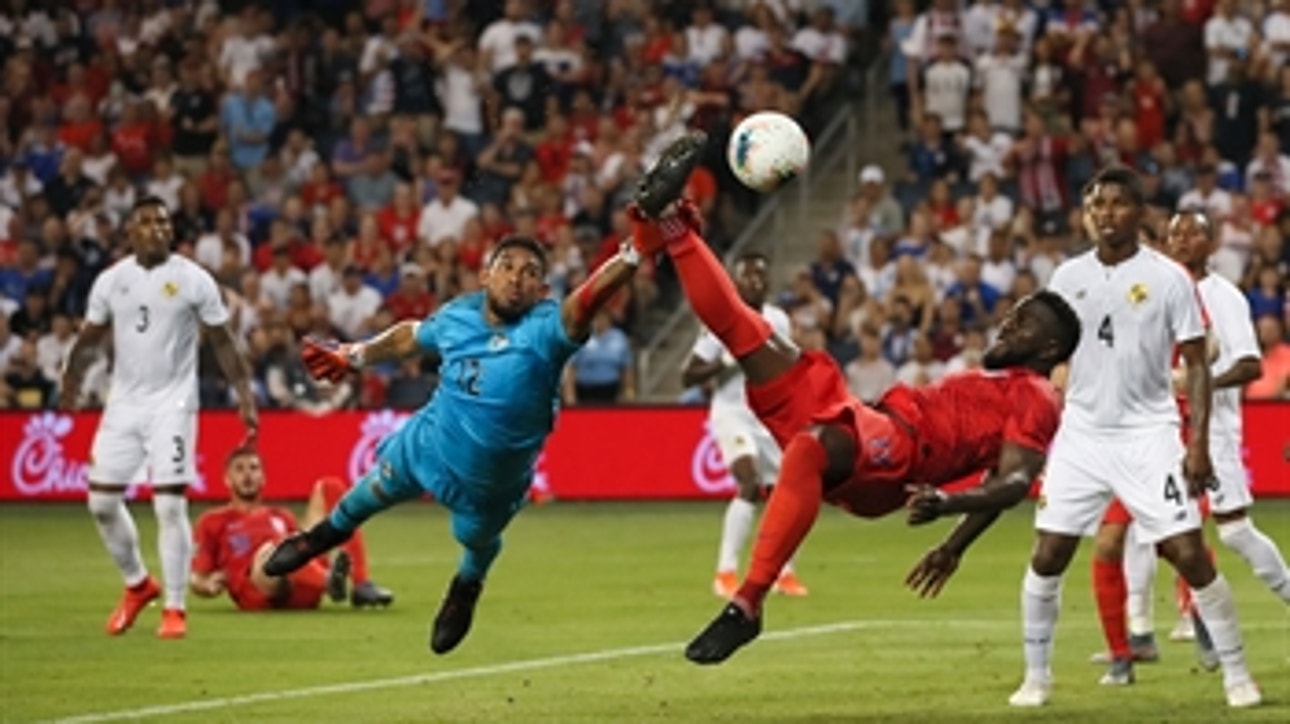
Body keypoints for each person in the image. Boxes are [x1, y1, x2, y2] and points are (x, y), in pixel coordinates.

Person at [261, 133, 706, 654]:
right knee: (365, 495)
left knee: (477, 544)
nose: (518, 278)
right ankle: (320, 538)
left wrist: (632, 256)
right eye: (508, 267)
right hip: (429, 440)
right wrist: (354, 355)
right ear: (485, 273)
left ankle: (465, 587)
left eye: (531, 273)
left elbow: (585, 301)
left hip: (489, 483)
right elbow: (411, 334)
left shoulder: (546, 329)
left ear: (542, 289)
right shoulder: (458, 314)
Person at [628, 201, 1080, 666]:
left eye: (1022, 322)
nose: (1007, 324)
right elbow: (998, 482)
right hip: (872, 419)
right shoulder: (1003, 385)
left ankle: (747, 602)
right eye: (1013, 314)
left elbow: (1014, 483)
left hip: (899, 452)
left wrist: (949, 505)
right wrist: (952, 546)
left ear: (1048, 348)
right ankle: (677, 233)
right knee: (748, 333)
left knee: (811, 445)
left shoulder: (1038, 396)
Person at [1006, 167, 1261, 709]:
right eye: (1097, 204)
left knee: (1188, 552)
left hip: (1148, 433)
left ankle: (1237, 672)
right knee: (1049, 552)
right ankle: (1036, 676)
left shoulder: (1169, 279)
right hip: (1082, 432)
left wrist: (1195, 444)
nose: (1105, 213)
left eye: (1118, 204)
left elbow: (1195, 363)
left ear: (1139, 213)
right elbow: (1053, 354)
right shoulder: (1067, 276)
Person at [1088, 210, 1288, 683]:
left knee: (1235, 531)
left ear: (1213, 244)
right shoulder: (1160, 290)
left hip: (1214, 431)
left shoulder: (1225, 298)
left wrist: (1195, 381)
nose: (1180, 239)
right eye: (1174, 232)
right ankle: (1140, 634)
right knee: (1142, 527)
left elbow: (1250, 366)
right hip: (1160, 431)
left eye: (1192, 233)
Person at [59, 196, 259, 639]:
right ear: (130, 233)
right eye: (147, 223)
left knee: (169, 502)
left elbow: (222, 341)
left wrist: (244, 393)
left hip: (174, 404)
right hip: (123, 403)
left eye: (164, 222)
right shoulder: (112, 282)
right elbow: (90, 335)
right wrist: (71, 378)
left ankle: (174, 607)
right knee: (102, 503)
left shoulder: (193, 280)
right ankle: (137, 585)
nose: (157, 229)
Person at [680, 251, 807, 600]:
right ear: (734, 283)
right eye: (748, 276)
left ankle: (785, 573)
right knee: (749, 483)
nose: (755, 282)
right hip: (732, 415)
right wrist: (726, 361)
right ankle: (725, 572)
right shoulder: (721, 321)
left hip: (767, 418)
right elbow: (688, 375)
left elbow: (790, 361)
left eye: (760, 276)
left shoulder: (778, 320)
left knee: (792, 492)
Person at [191, 446, 394, 610]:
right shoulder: (213, 521)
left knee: (329, 487)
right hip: (257, 589)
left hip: (300, 586)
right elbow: (197, 578)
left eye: (253, 468)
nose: (248, 475)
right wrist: (207, 586)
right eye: (240, 469)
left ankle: (361, 585)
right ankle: (328, 581)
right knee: (275, 550)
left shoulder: (280, 516)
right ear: (227, 479)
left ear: (263, 477)